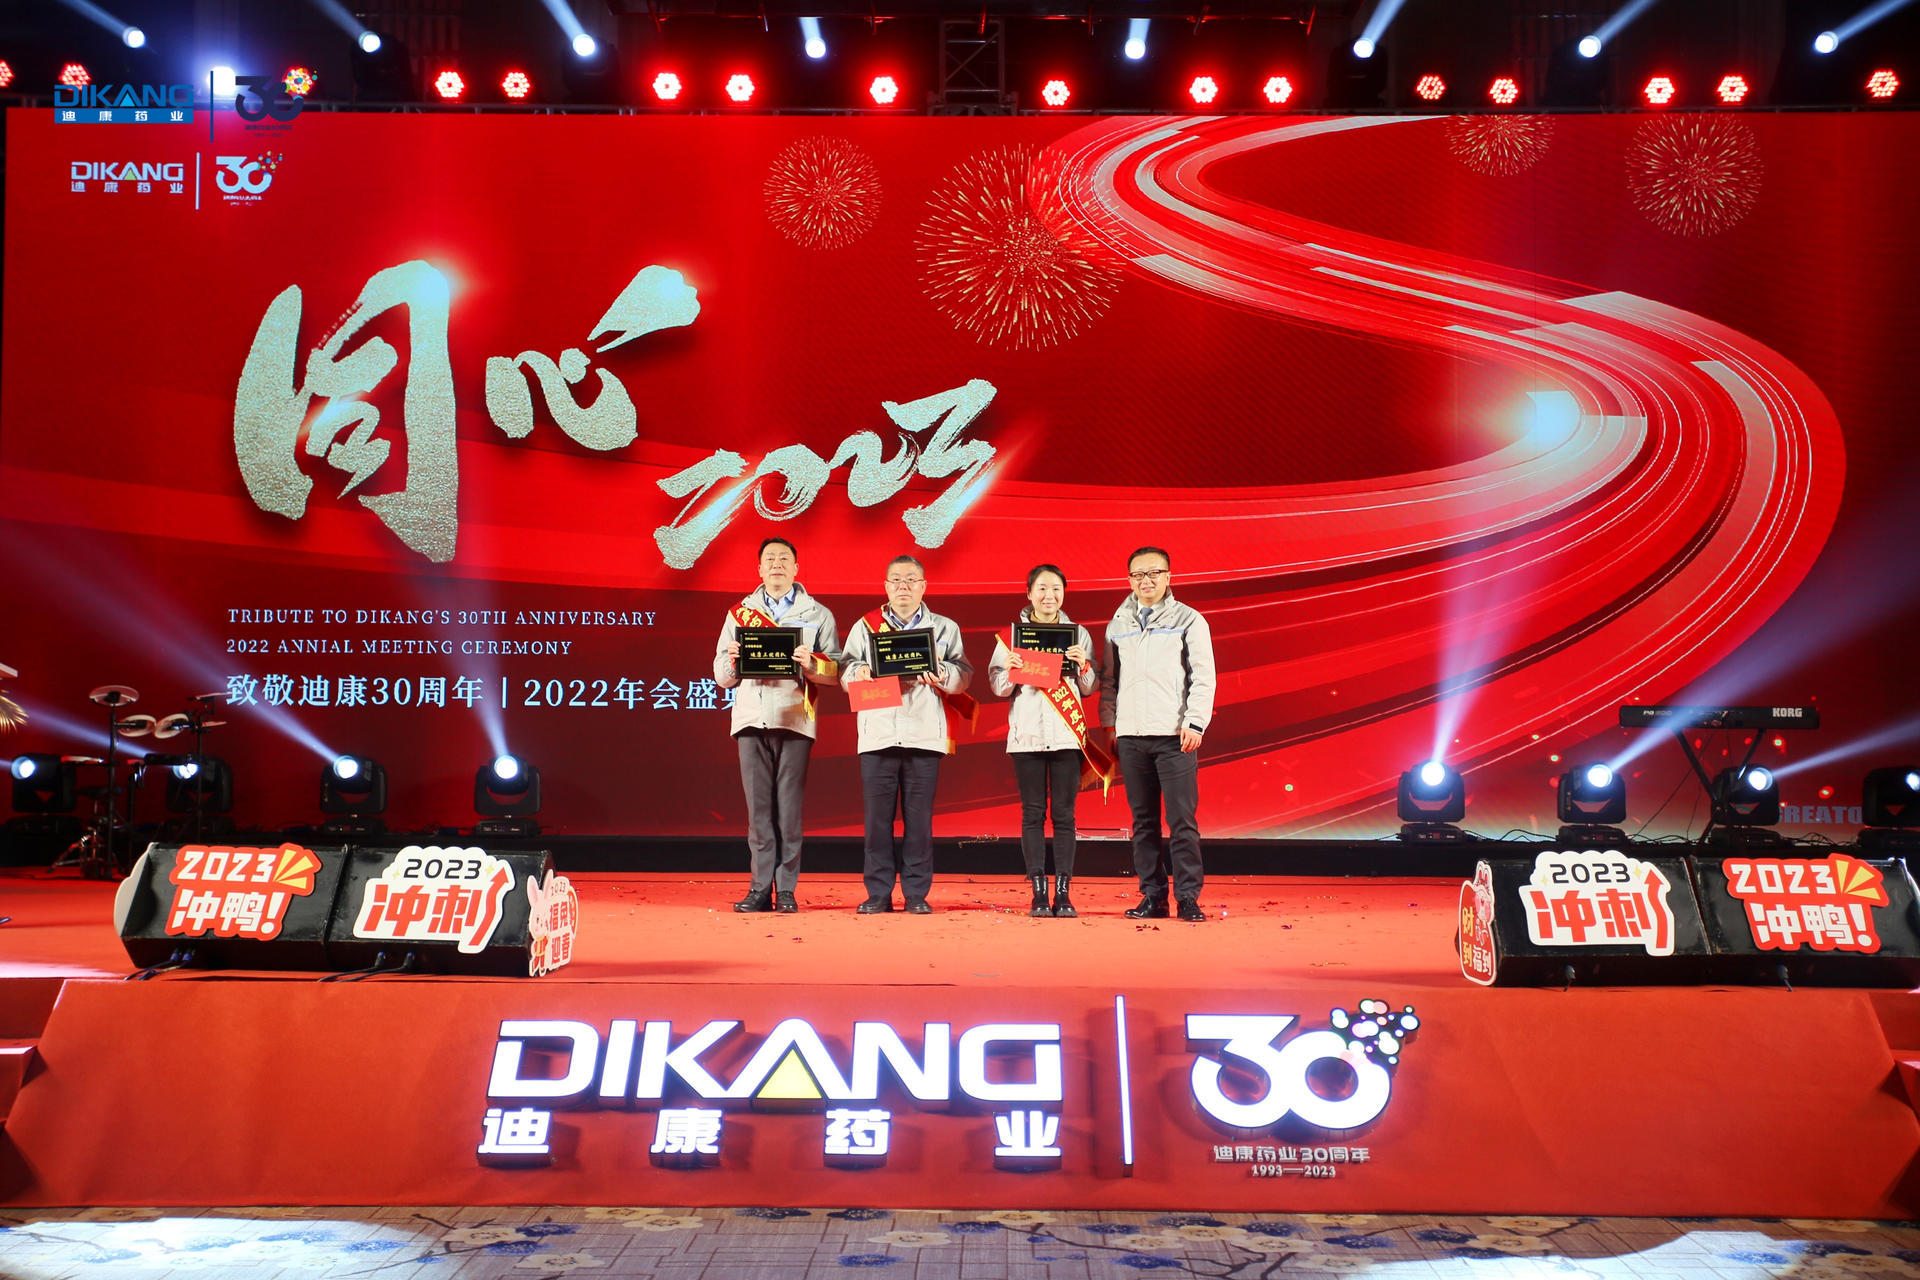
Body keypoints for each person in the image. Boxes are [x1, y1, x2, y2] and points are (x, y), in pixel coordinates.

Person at [839, 555, 974, 914]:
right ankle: (878, 893)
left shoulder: (944, 628)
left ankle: (916, 894)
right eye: (896, 579)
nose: (903, 586)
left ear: (923, 586)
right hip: (878, 733)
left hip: (924, 734)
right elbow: (844, 670)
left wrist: (943, 674)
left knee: (919, 822)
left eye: (911, 579)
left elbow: (963, 675)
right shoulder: (865, 626)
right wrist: (859, 671)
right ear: (885, 586)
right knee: (876, 823)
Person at [714, 536, 841, 913]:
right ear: (759, 569)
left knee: (788, 811)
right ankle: (759, 888)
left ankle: (785, 889)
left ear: (796, 568)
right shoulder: (740, 614)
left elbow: (835, 670)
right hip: (751, 720)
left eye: (784, 559)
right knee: (758, 813)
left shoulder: (818, 614)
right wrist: (733, 661)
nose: (777, 565)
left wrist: (811, 663)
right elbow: (721, 675)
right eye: (769, 559)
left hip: (795, 719)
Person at [1100, 546, 1216, 922]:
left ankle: (1188, 898)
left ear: (1168, 576)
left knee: (1182, 822)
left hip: (1174, 736)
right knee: (1143, 823)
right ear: (1129, 579)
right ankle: (1153, 897)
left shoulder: (1189, 619)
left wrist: (1195, 722)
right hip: (1132, 736)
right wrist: (1112, 726)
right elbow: (1109, 681)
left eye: (1154, 573)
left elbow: (1203, 676)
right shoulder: (1118, 624)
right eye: (1138, 575)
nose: (1146, 581)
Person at [987, 564, 1105, 918]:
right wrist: (1010, 669)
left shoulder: (1078, 634)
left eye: (1055, 588)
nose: (1049, 595)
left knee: (1065, 816)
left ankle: (1063, 894)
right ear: (1029, 594)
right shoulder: (1011, 636)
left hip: (1066, 736)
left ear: (1064, 593)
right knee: (1033, 814)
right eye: (1041, 588)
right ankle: (1038, 894)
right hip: (1027, 737)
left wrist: (1084, 666)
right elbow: (998, 687)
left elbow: (1090, 687)